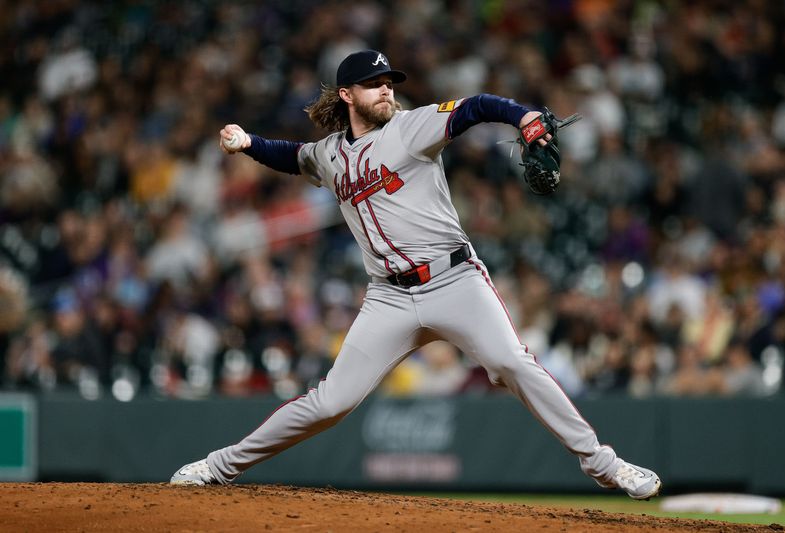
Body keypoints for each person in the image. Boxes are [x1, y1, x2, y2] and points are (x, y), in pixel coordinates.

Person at [170, 50, 661, 500]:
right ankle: (219, 467)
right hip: (388, 299)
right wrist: (250, 142)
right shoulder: (330, 155)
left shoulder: (412, 127)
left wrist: (524, 115)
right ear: (347, 95)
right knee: (329, 403)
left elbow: (475, 107)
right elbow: (292, 156)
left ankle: (606, 466)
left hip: (454, 280)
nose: (386, 89)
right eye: (373, 83)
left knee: (513, 362)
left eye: (388, 81)